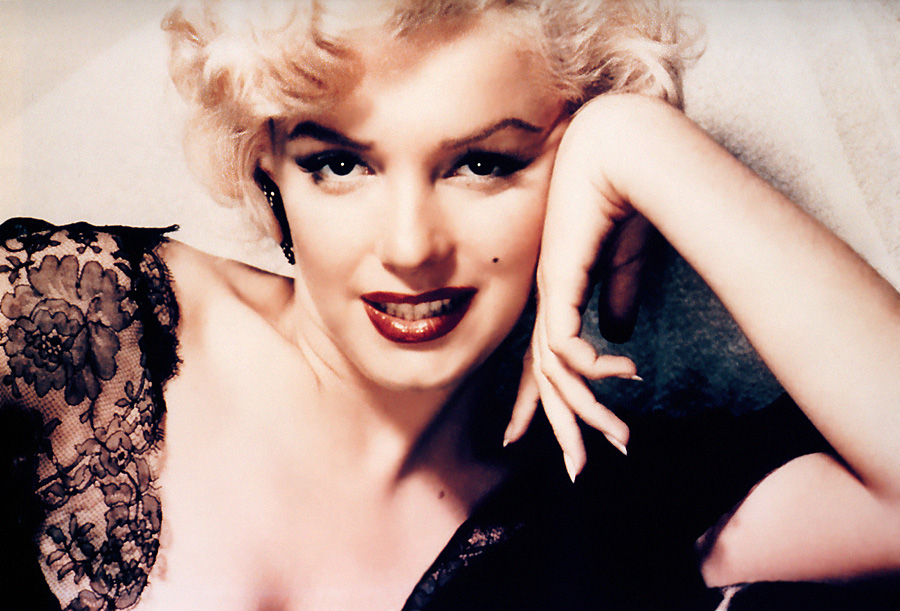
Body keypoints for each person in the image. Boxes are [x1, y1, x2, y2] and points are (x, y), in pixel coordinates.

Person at [1, 1, 898, 609]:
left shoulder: (606, 506)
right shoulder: (72, 325)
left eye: (483, 163)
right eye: (339, 164)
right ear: (266, 163)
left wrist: (639, 140)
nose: (410, 246)